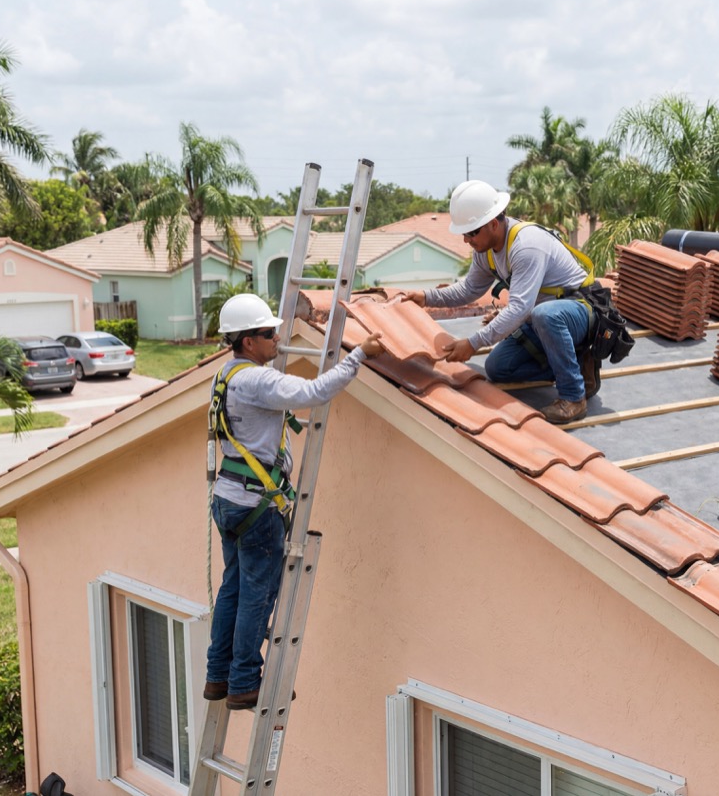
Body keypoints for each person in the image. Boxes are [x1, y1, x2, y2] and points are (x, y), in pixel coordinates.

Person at [204, 293, 383, 709]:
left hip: (229, 500)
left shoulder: (226, 375)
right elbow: (319, 390)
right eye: (269, 334)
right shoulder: (257, 381)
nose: (277, 341)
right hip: (255, 507)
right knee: (256, 594)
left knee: (233, 588)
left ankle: (219, 676)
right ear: (248, 342)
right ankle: (246, 681)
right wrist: (360, 356)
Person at [403, 180, 597, 424]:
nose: (466, 240)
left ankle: (574, 397)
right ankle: (576, 363)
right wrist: (427, 297)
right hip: (542, 320)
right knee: (498, 368)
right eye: (464, 233)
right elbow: (469, 289)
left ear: (493, 224)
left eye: (471, 232)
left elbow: (520, 308)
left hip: (579, 311)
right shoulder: (486, 251)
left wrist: (473, 343)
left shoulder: (526, 246)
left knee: (546, 315)